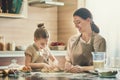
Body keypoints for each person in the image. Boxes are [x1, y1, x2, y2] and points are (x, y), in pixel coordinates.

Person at [64, 8, 106, 73]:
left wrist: (82, 69)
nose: (76, 26)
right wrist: (67, 64)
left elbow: (99, 66)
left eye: (78, 22)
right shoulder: (72, 40)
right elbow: (68, 60)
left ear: (88, 20)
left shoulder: (99, 40)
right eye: (74, 23)